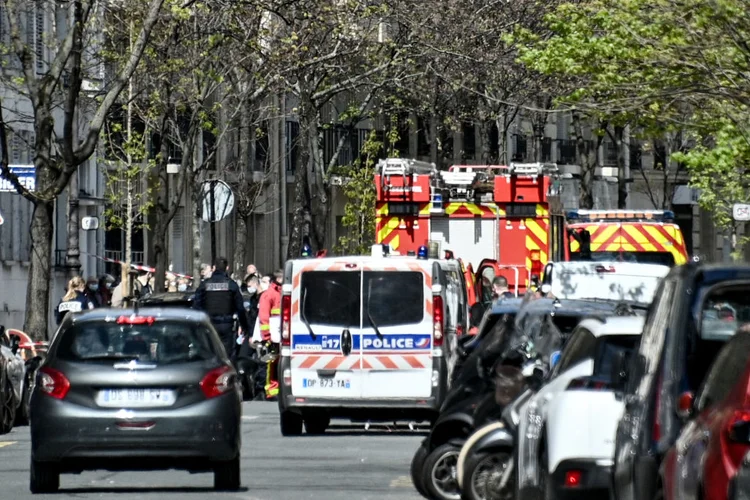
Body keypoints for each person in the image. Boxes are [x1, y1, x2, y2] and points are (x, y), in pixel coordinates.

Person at [193, 257, 250, 358]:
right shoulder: (232, 285)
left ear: (214, 268)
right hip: (226, 325)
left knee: (210, 355)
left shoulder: (205, 284)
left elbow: (196, 305)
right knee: (226, 357)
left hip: (209, 325)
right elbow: (240, 308)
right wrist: (245, 326)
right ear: (227, 268)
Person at [258, 270, 282, 400]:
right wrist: (267, 336)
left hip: (283, 335)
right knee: (271, 363)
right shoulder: (269, 295)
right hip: (273, 336)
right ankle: (271, 391)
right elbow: (264, 316)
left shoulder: (284, 292)